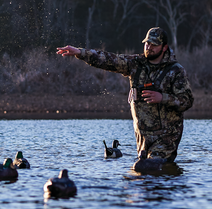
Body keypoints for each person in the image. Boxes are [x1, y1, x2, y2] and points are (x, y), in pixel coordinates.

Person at [56, 27, 194, 162]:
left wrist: (162, 98)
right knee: (142, 177)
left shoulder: (175, 71)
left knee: (153, 168)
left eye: (154, 44)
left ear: (164, 48)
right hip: (143, 138)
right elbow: (109, 60)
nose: (149, 47)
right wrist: (80, 53)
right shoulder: (135, 64)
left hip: (166, 137)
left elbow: (187, 101)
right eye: (147, 43)